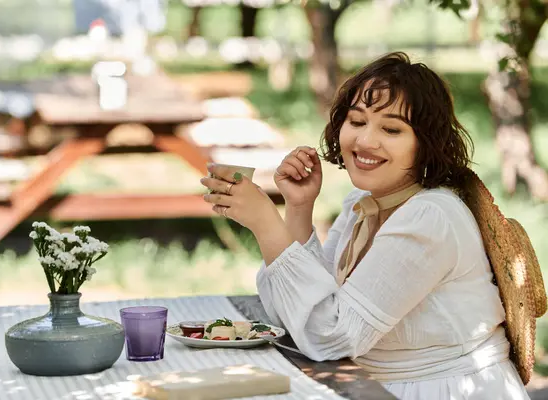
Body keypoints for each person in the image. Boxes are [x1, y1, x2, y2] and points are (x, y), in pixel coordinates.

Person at [199, 52, 530, 400]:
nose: (366, 141)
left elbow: (330, 335)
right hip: (375, 386)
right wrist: (298, 208)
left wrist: (266, 224)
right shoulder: (363, 203)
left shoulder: (430, 218)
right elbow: (299, 313)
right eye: (357, 122)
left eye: (391, 129)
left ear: (425, 143)